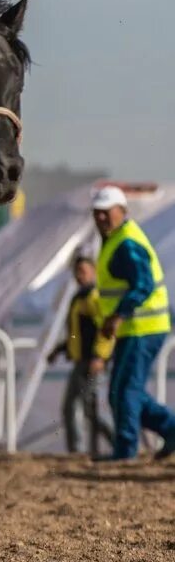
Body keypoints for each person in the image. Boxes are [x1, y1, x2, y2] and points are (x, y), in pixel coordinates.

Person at [91, 186, 175, 460]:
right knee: (125, 391)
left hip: (143, 328)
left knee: (125, 391)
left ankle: (125, 451)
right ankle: (171, 429)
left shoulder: (126, 243)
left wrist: (118, 315)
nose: (101, 218)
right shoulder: (116, 239)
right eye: (97, 213)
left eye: (106, 213)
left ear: (122, 211)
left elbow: (143, 285)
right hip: (136, 328)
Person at [46, 256, 114, 455]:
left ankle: (119, 442)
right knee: (71, 407)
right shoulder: (79, 298)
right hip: (80, 362)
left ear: (93, 272)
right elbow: (77, 333)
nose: (80, 276)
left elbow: (105, 330)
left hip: (92, 362)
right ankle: (77, 450)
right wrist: (60, 350)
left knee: (92, 411)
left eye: (84, 271)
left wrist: (100, 357)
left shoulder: (94, 298)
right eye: (77, 271)